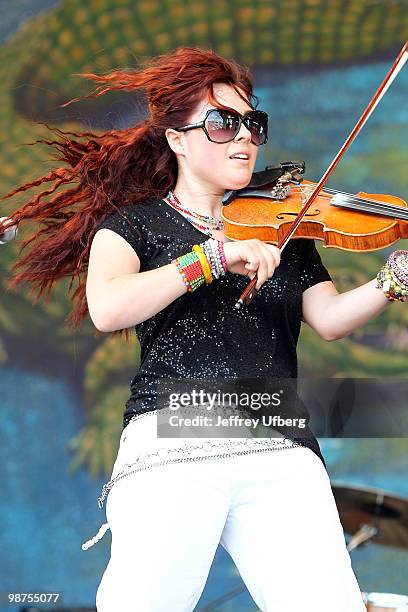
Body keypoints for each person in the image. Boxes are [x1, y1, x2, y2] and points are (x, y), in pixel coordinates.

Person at [2, 46, 407, 612]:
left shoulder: (282, 226)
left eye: (252, 122)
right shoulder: (133, 227)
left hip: (279, 442)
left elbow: (330, 319)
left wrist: (396, 278)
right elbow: (108, 307)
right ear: (176, 139)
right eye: (223, 122)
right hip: (175, 437)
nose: (244, 136)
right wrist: (209, 260)